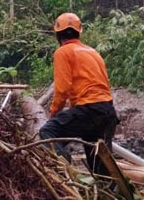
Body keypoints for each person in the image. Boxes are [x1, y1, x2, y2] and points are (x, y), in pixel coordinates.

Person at [39, 12, 119, 177]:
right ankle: (112, 197)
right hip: (107, 112)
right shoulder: (92, 52)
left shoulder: (63, 52)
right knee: (100, 170)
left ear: (57, 34)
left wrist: (54, 114)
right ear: (78, 32)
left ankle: (65, 170)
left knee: (48, 133)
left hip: (89, 110)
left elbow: (62, 90)